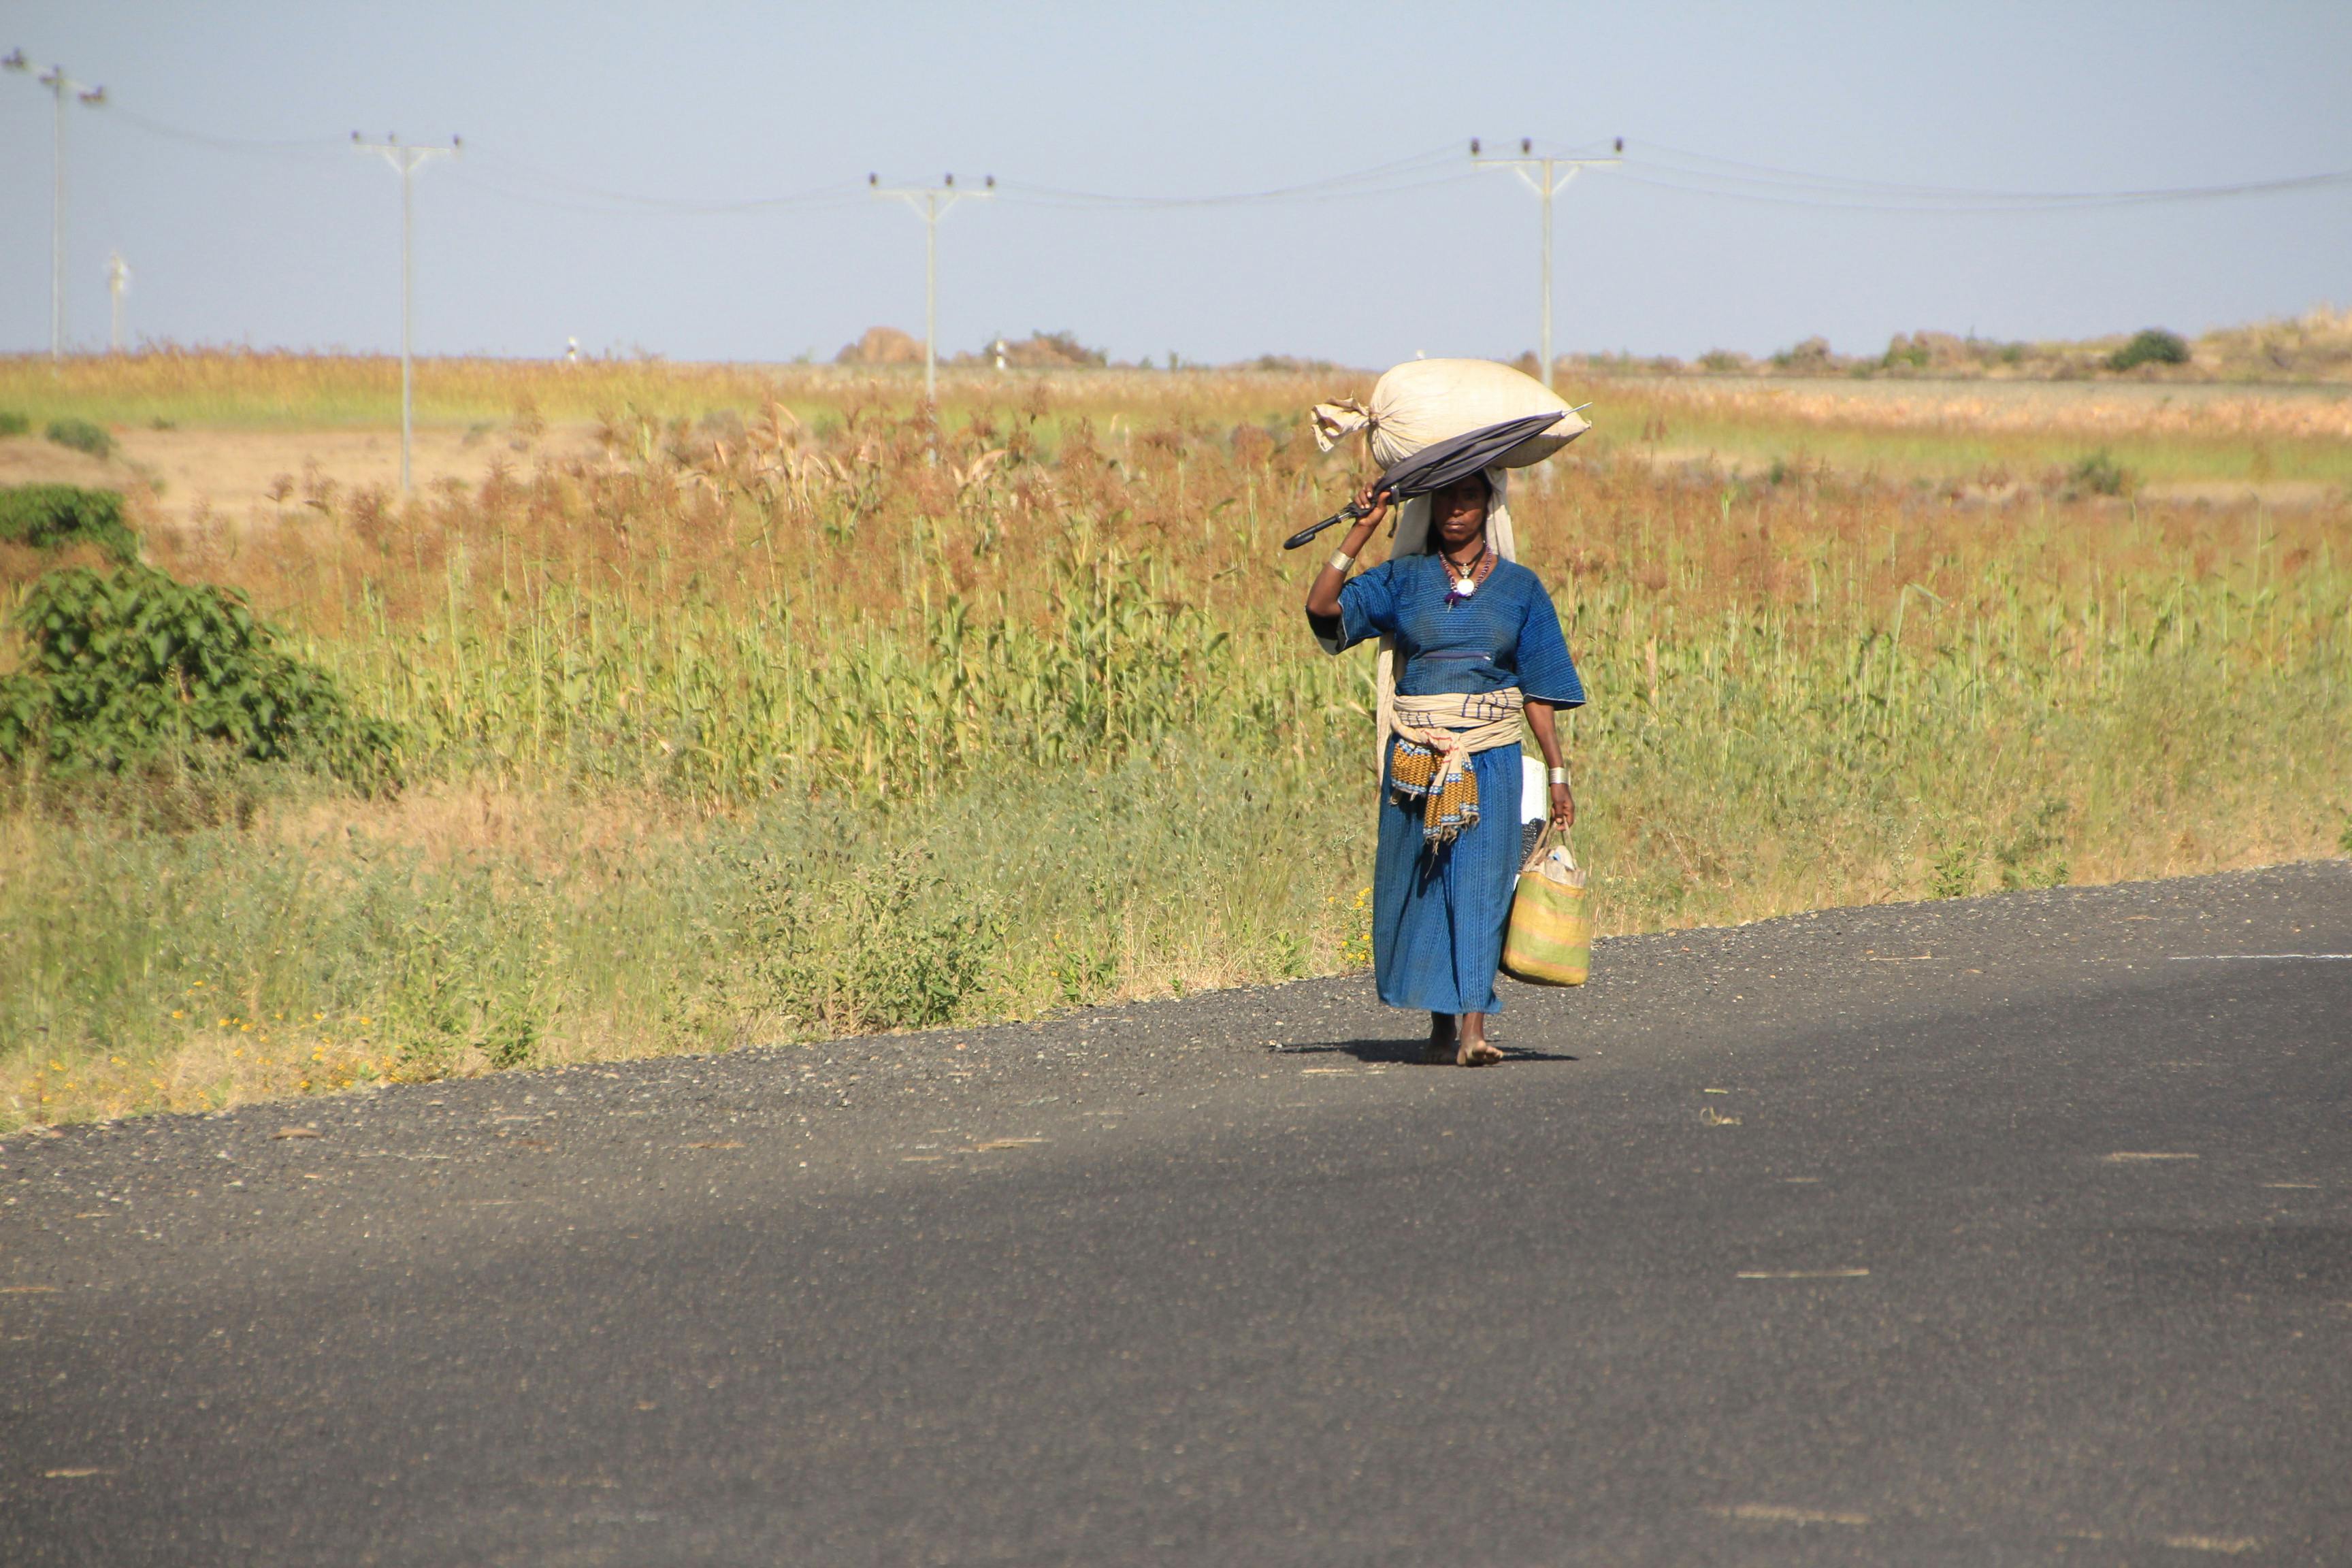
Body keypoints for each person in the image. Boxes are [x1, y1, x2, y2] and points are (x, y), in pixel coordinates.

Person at [1304, 469, 1583, 1066]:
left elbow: (1538, 691)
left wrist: (1558, 774)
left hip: (1491, 754)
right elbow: (1323, 608)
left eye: (1470, 497)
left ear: (1490, 506)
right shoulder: (1404, 581)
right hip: (1416, 756)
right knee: (1424, 882)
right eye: (1446, 499)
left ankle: (1474, 1031)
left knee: (1482, 886)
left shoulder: (1519, 589)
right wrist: (1361, 531)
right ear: (1427, 510)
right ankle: (1439, 1025)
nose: (1456, 510)